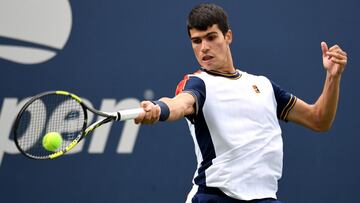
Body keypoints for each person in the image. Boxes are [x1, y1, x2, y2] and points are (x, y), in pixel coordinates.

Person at [134, 3, 348, 203]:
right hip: (214, 196)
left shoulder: (263, 86)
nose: (204, 48)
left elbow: (319, 119)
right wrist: (158, 109)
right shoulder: (199, 83)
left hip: (264, 197)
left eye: (211, 37)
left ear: (228, 36)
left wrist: (333, 77)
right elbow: (178, 104)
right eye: (196, 41)